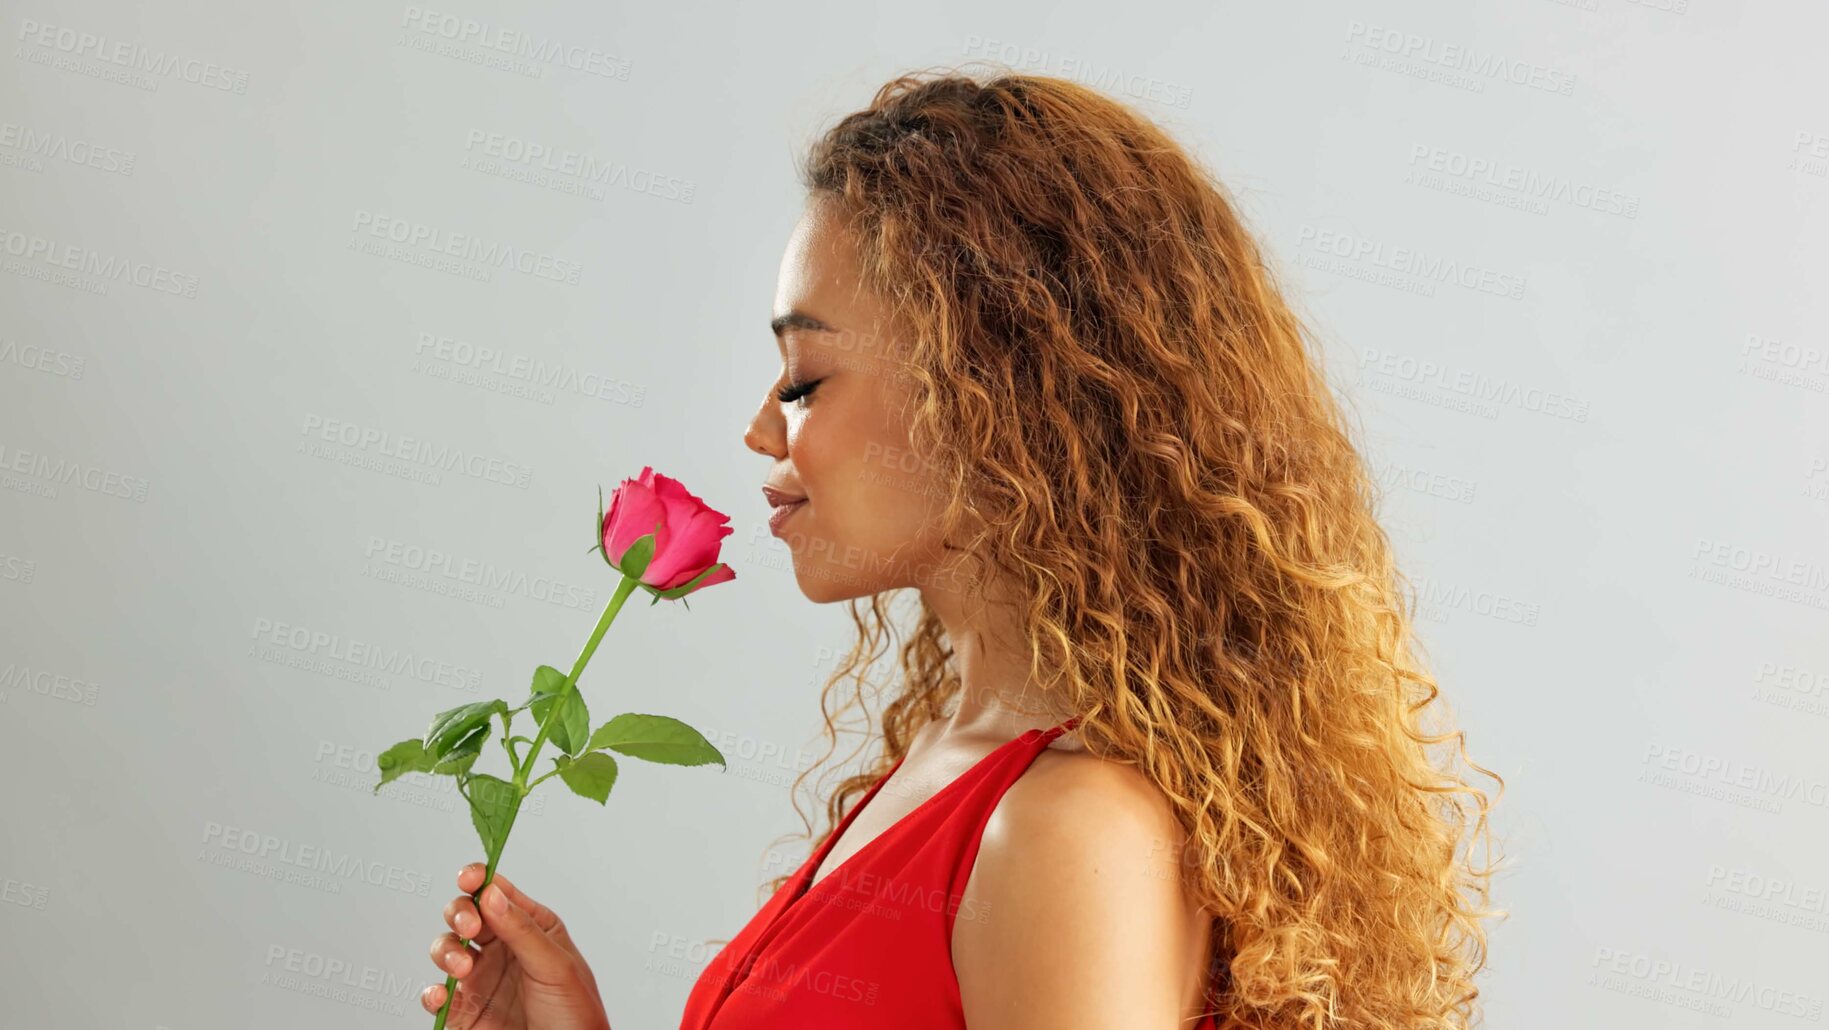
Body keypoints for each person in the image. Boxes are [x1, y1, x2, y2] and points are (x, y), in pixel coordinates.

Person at [424, 65, 1503, 1030]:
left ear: (994, 398)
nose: (762, 429)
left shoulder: (1065, 834)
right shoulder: (950, 771)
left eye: (803, 381)